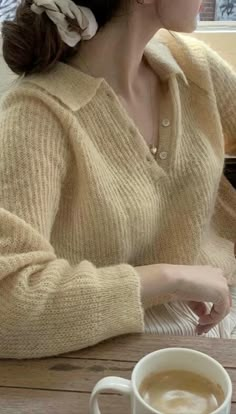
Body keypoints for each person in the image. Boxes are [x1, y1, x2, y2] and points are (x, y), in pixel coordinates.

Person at [0, 0, 235, 360]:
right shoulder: (34, 118)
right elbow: (9, 307)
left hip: (226, 320)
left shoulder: (194, 66)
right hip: (119, 358)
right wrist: (167, 279)